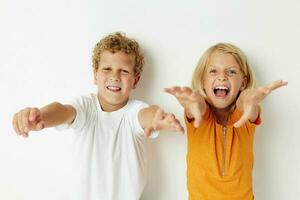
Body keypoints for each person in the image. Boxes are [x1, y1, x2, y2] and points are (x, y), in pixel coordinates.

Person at [12, 32, 184, 200]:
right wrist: (41, 115)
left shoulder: (133, 112)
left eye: (124, 71)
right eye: (107, 69)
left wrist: (157, 119)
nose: (115, 77)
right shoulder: (86, 107)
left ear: (136, 80)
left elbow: (147, 115)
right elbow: (62, 111)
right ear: (95, 75)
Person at [165, 43, 287, 200]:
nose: (222, 76)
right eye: (213, 71)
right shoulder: (200, 116)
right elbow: (198, 106)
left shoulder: (245, 117)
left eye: (231, 72)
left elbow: (245, 103)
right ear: (202, 81)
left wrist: (249, 100)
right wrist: (191, 103)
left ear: (243, 82)